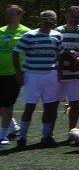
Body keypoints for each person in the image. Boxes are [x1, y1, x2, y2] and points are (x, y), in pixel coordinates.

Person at [12, 10, 64, 147]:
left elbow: (60, 55)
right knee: (30, 107)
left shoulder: (57, 35)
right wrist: (19, 73)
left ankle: (46, 137)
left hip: (51, 75)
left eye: (51, 20)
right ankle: (22, 137)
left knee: (49, 107)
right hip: (32, 75)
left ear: (55, 21)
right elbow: (16, 53)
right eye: (45, 19)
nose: (48, 22)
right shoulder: (29, 35)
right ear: (40, 20)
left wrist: (60, 72)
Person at [55, 5, 79, 132]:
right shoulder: (57, 31)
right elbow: (54, 51)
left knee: (75, 104)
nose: (74, 19)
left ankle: (71, 131)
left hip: (77, 74)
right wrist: (66, 54)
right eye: (72, 16)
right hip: (59, 74)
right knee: (53, 104)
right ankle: (48, 134)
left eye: (77, 17)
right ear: (66, 16)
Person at [0, 5, 30, 145]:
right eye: (7, 14)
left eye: (12, 14)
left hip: (14, 74)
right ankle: (13, 127)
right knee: (2, 105)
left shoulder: (26, 32)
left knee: (7, 105)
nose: (8, 16)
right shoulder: (1, 31)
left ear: (19, 15)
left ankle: (2, 136)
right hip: (0, 72)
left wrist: (23, 73)